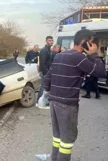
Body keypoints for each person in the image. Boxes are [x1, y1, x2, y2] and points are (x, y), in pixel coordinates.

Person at [44, 29, 106, 161]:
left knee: (57, 136)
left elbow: (48, 77)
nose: (94, 45)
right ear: (84, 42)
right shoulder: (79, 58)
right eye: (91, 42)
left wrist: (50, 93)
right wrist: (94, 54)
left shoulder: (60, 55)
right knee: (67, 140)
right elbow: (100, 72)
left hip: (54, 102)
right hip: (67, 105)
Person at [37, 36, 54, 108]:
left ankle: (42, 102)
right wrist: (47, 73)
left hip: (47, 71)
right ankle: (39, 103)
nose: (51, 42)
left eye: (52, 40)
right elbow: (43, 63)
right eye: (49, 40)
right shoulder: (44, 50)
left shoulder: (48, 50)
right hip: (45, 72)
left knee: (44, 87)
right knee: (43, 87)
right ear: (46, 41)